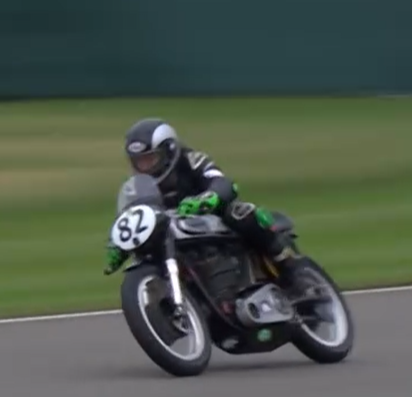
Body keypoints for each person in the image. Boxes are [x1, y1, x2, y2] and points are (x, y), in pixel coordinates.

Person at [103, 118, 300, 282]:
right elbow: (132, 215)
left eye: (150, 159)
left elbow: (221, 182)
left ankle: (287, 261)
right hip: (176, 230)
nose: (144, 166)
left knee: (240, 213)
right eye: (139, 162)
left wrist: (208, 198)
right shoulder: (138, 185)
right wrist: (118, 243)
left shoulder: (192, 160)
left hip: (212, 216)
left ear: (169, 151)